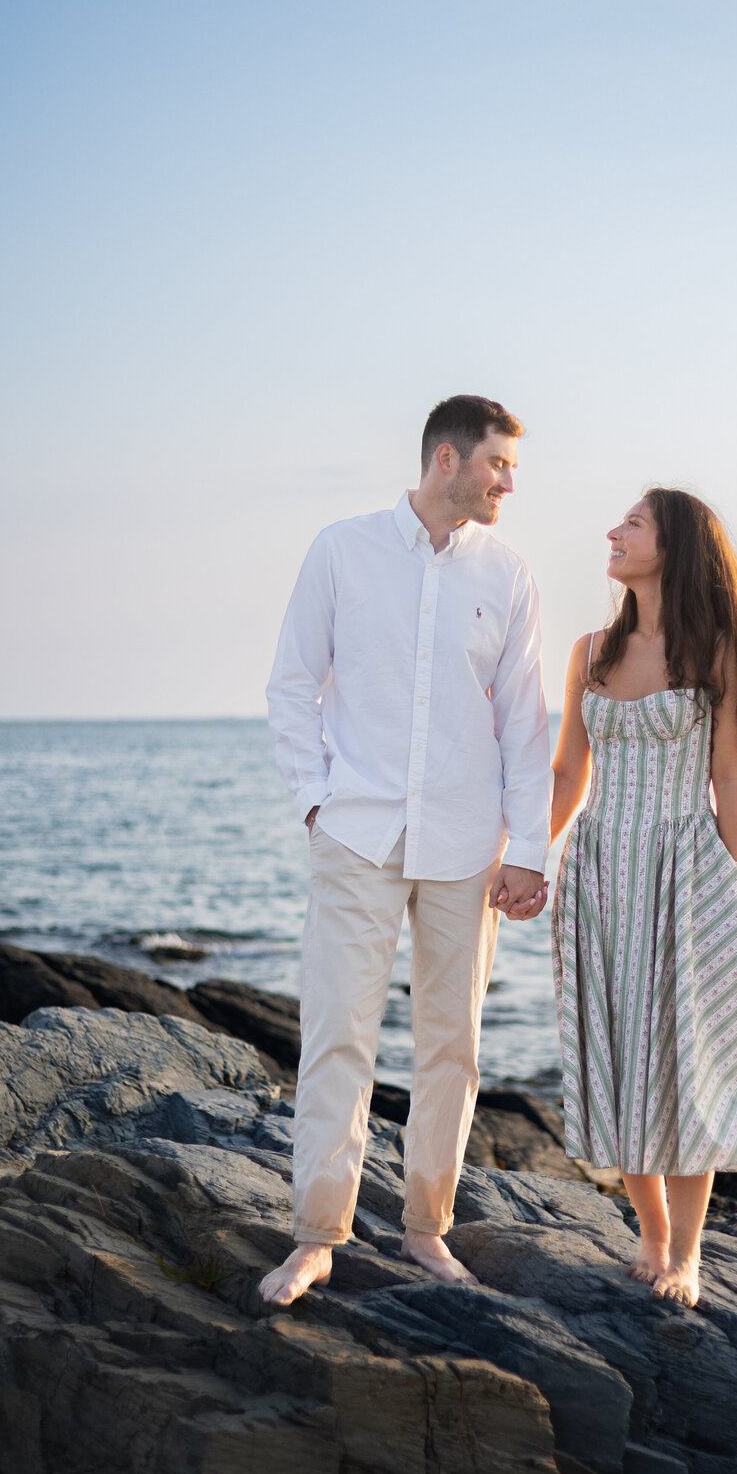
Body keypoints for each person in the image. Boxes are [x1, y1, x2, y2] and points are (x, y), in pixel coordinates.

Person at [260, 395, 552, 1306]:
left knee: (451, 1046)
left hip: (467, 843)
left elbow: (525, 724)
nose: (509, 483)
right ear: (447, 459)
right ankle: (317, 1237)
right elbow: (293, 683)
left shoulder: (509, 575)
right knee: (338, 1032)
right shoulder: (341, 550)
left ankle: (427, 1228)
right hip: (357, 832)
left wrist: (530, 847)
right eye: (499, 464)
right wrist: (314, 801)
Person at [549, 488, 737, 1308]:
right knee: (617, 1056)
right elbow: (570, 771)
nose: (613, 532)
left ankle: (685, 1255)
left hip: (683, 872)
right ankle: (650, 1236)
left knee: (682, 1066)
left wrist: (734, 882)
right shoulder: (589, 653)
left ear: (673, 547)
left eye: (633, 524)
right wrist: (529, 860)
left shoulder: (714, 655)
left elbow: (727, 777)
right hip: (599, 868)